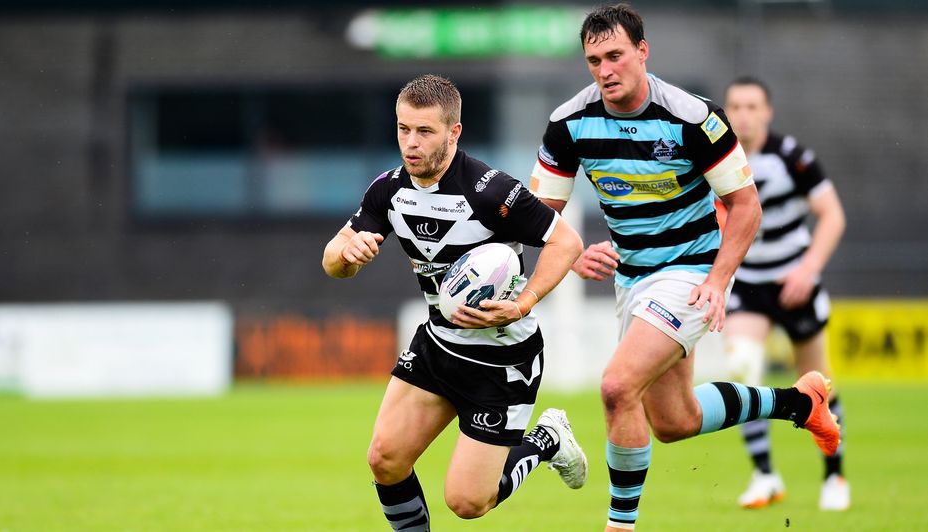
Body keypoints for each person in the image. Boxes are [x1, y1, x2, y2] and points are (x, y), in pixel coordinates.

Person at [526, 5, 841, 530]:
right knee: (674, 422)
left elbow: (746, 207)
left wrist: (718, 281)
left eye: (616, 56)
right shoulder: (568, 123)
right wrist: (575, 255)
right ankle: (798, 403)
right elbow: (540, 217)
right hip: (634, 279)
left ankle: (619, 525)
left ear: (642, 51)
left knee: (616, 387)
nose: (605, 70)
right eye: (594, 60)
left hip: (691, 272)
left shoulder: (693, 117)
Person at [322, 74, 587, 530]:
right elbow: (332, 261)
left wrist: (523, 302)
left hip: (501, 360)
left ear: (454, 132)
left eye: (425, 131)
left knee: (467, 503)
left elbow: (567, 242)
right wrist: (347, 256)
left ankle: (546, 439)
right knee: (385, 459)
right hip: (439, 347)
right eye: (403, 129)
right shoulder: (387, 190)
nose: (411, 142)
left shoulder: (491, 191)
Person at [722, 76, 849, 511]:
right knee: (743, 367)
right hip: (748, 284)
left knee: (817, 381)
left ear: (767, 112)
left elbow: (832, 215)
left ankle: (835, 476)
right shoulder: (715, 158)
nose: (743, 114)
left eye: (752, 106)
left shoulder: (791, 157)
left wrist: (808, 270)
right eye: (735, 106)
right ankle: (764, 475)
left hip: (795, 281)